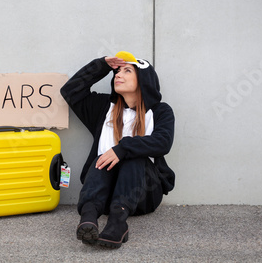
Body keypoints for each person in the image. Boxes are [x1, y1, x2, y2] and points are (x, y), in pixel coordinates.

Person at [60, 51, 175, 249]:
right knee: (101, 158)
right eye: (117, 71)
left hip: (143, 195)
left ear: (143, 80)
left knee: (133, 156)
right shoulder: (104, 108)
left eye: (127, 71)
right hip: (102, 197)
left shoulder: (160, 111)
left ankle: (118, 223)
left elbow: (162, 142)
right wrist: (102, 66)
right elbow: (70, 91)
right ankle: (88, 217)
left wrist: (122, 149)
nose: (118, 75)